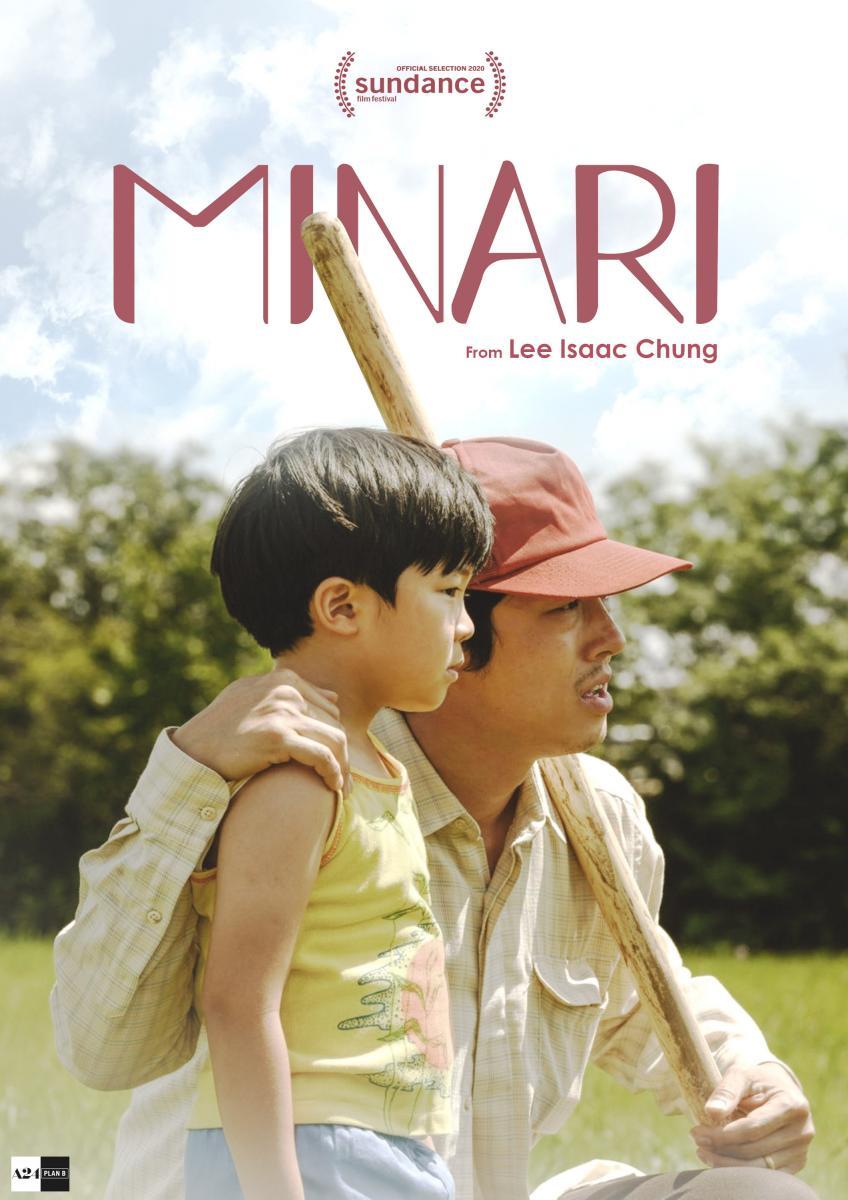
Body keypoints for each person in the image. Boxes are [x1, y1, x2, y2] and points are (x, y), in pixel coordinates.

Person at [51, 436, 817, 1200]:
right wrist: (186, 775)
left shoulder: (600, 816)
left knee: (761, 1199)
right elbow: (102, 1048)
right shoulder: (287, 774)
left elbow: (644, 995)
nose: (612, 638)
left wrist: (751, 1074)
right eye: (565, 608)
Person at [89, 426, 493, 1200]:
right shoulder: (297, 783)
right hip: (312, 1153)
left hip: (368, 1147)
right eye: (449, 592)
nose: (467, 624)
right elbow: (237, 1004)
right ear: (342, 605)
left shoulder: (376, 770)